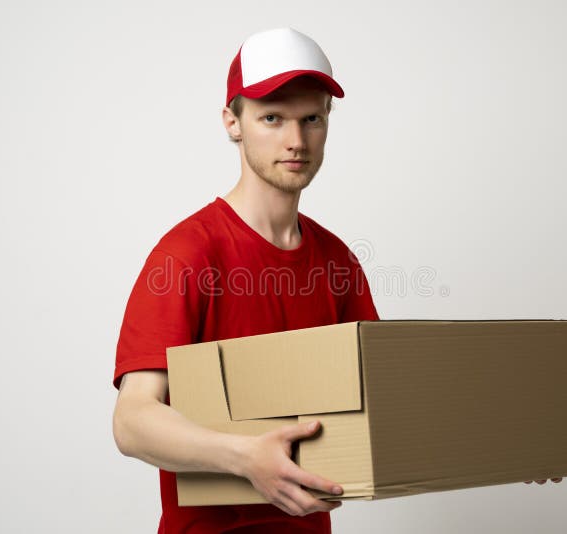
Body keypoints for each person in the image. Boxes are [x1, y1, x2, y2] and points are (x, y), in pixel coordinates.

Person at [112, 27, 381, 533]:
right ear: (232, 123)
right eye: (272, 118)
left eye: (311, 120)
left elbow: (382, 406)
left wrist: (499, 447)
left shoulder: (339, 262)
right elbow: (132, 421)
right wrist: (244, 457)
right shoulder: (187, 254)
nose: (296, 141)